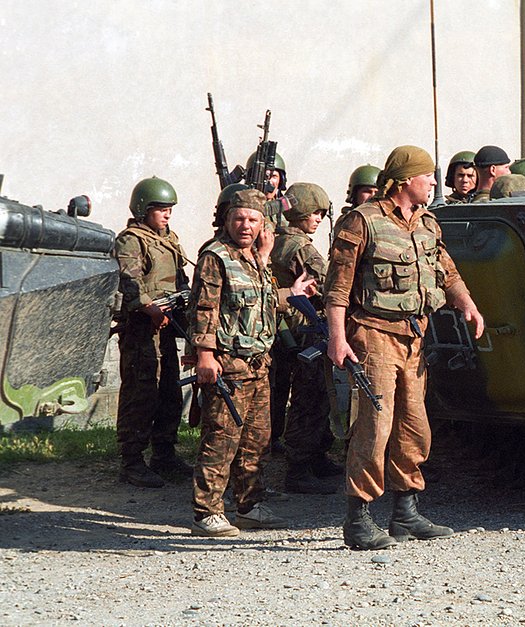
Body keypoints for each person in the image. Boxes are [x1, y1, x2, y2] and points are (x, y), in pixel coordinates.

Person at [323, 145, 485, 550]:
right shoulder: (362, 222)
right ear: (406, 180)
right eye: (427, 175)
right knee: (373, 427)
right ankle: (358, 519)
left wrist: (468, 305)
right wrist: (337, 338)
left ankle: (405, 513)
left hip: (415, 339)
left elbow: (446, 271)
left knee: (414, 426)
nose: (434, 181)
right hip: (373, 336)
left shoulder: (428, 223)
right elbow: (338, 289)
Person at [188, 188, 317, 537]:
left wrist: (294, 292)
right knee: (221, 438)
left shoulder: (256, 257)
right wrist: (204, 354)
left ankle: (249, 506)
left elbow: (260, 301)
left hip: (259, 365)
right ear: (228, 219)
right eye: (239, 218)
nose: (245, 225)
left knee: (256, 441)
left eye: (253, 219)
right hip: (228, 365)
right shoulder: (215, 257)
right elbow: (204, 309)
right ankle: (207, 512)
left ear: (263, 224)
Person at [113, 176, 191, 488]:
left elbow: (180, 280)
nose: (167, 215)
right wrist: (151, 308)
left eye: (170, 209)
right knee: (140, 392)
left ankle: (164, 453)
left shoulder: (170, 240)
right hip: (141, 330)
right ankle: (131, 461)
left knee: (169, 390)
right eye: (161, 209)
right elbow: (129, 281)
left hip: (168, 327)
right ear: (143, 209)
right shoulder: (131, 240)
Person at [269, 182, 340, 494]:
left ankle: (315, 458)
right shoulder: (300, 248)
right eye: (315, 213)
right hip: (306, 331)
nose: (319, 219)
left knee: (312, 397)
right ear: (298, 213)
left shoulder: (277, 240)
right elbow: (326, 286)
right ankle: (299, 468)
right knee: (309, 399)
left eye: (323, 214)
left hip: (290, 330)